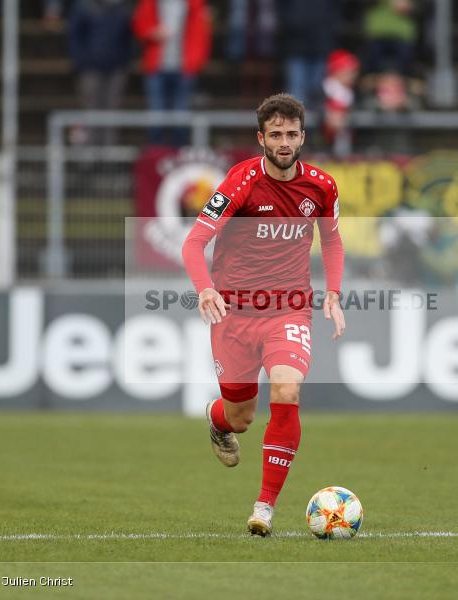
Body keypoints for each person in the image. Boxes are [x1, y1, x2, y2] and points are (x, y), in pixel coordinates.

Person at [181, 93, 346, 536]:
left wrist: (333, 293)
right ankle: (217, 422)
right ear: (262, 139)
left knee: (287, 391)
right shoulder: (240, 183)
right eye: (276, 134)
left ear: (303, 136)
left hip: (288, 309)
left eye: (292, 133)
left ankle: (264, 506)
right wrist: (205, 290)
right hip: (234, 314)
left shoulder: (322, 186)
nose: (285, 141)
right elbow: (193, 243)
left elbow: (331, 241)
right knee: (240, 417)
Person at [132, 0, 211, 146]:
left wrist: (195, 62)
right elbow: (139, 24)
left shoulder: (195, 5)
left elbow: (202, 35)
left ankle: (178, 151)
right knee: (156, 111)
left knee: (181, 111)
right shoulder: (150, 3)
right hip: (156, 66)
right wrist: (152, 32)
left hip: (184, 68)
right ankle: (156, 151)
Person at [67, 0, 135, 146]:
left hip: (117, 68)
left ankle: (109, 154)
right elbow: (75, 36)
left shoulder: (124, 8)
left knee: (112, 111)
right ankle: (90, 155)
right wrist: (82, 62)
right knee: (91, 111)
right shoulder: (84, 6)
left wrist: (124, 62)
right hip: (90, 69)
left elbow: (130, 38)